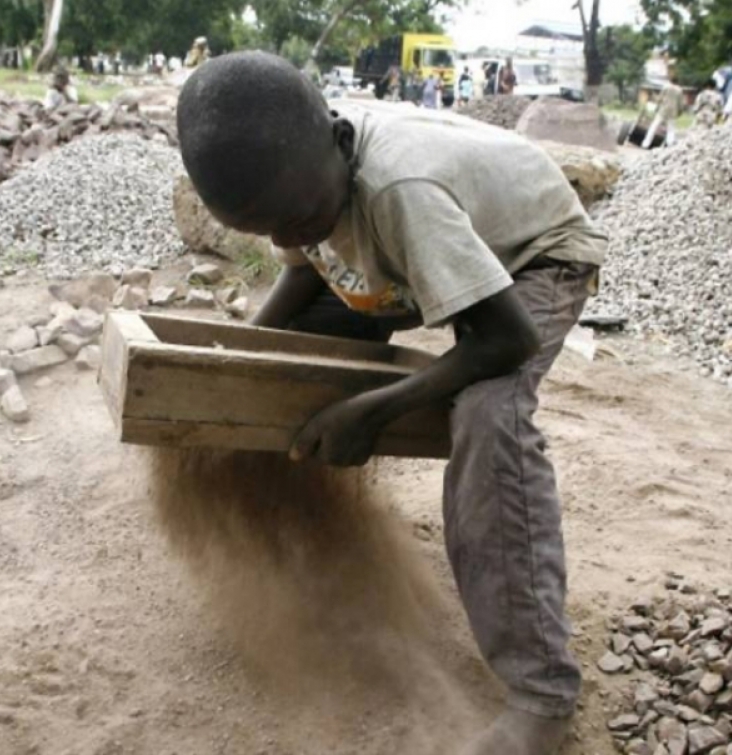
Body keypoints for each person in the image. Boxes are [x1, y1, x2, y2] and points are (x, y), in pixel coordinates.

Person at [177, 51, 606, 755]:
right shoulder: (304, 184)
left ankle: (541, 693)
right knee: (295, 370)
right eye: (268, 231)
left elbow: (505, 337)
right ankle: (316, 566)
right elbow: (302, 268)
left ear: (342, 144)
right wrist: (243, 361)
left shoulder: (399, 188)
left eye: (299, 218)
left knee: (486, 414)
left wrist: (373, 411)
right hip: (409, 248)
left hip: (531, 256)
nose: (289, 239)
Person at [643, 79, 683, 148]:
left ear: (670, 81)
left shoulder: (666, 87)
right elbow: (680, 103)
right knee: (671, 129)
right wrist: (680, 112)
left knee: (654, 126)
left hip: (663, 111)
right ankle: (670, 144)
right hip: (672, 112)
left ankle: (645, 144)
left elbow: (660, 99)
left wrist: (655, 98)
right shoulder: (679, 90)